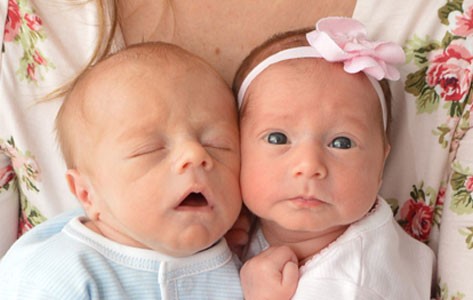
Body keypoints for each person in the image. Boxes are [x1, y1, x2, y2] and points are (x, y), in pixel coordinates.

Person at [1, 1, 472, 298]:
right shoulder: (56, 269)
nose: (308, 166)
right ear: (85, 192)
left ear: (383, 158)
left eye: (215, 143)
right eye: (277, 139)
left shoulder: (344, 280)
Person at [0, 41, 243, 299]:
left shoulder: (247, 268)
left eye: (217, 144)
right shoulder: (59, 275)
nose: (195, 154)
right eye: (150, 149)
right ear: (87, 194)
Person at [234, 17, 435, 299]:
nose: (309, 165)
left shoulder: (351, 282)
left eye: (341, 143)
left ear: (380, 163)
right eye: (278, 138)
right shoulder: (248, 226)